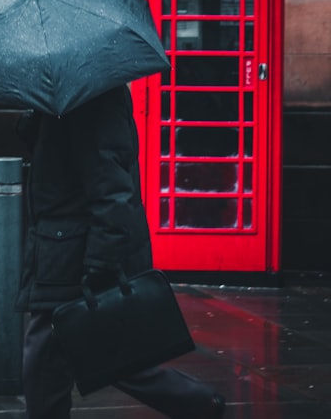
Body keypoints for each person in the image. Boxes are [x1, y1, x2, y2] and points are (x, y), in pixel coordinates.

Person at [15, 85, 225, 419]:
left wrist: (99, 267)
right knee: (108, 358)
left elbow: (113, 192)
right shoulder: (64, 98)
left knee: (47, 362)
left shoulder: (90, 98)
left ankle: (200, 404)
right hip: (62, 249)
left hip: (75, 255)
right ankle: (200, 404)